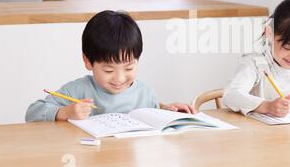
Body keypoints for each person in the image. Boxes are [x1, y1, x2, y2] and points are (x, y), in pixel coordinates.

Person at [25, 10, 195, 122]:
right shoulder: (77, 90)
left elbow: (151, 114)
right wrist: (65, 113)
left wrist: (168, 110)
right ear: (87, 61)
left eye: (129, 68)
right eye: (108, 70)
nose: (119, 78)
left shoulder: (145, 93)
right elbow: (32, 113)